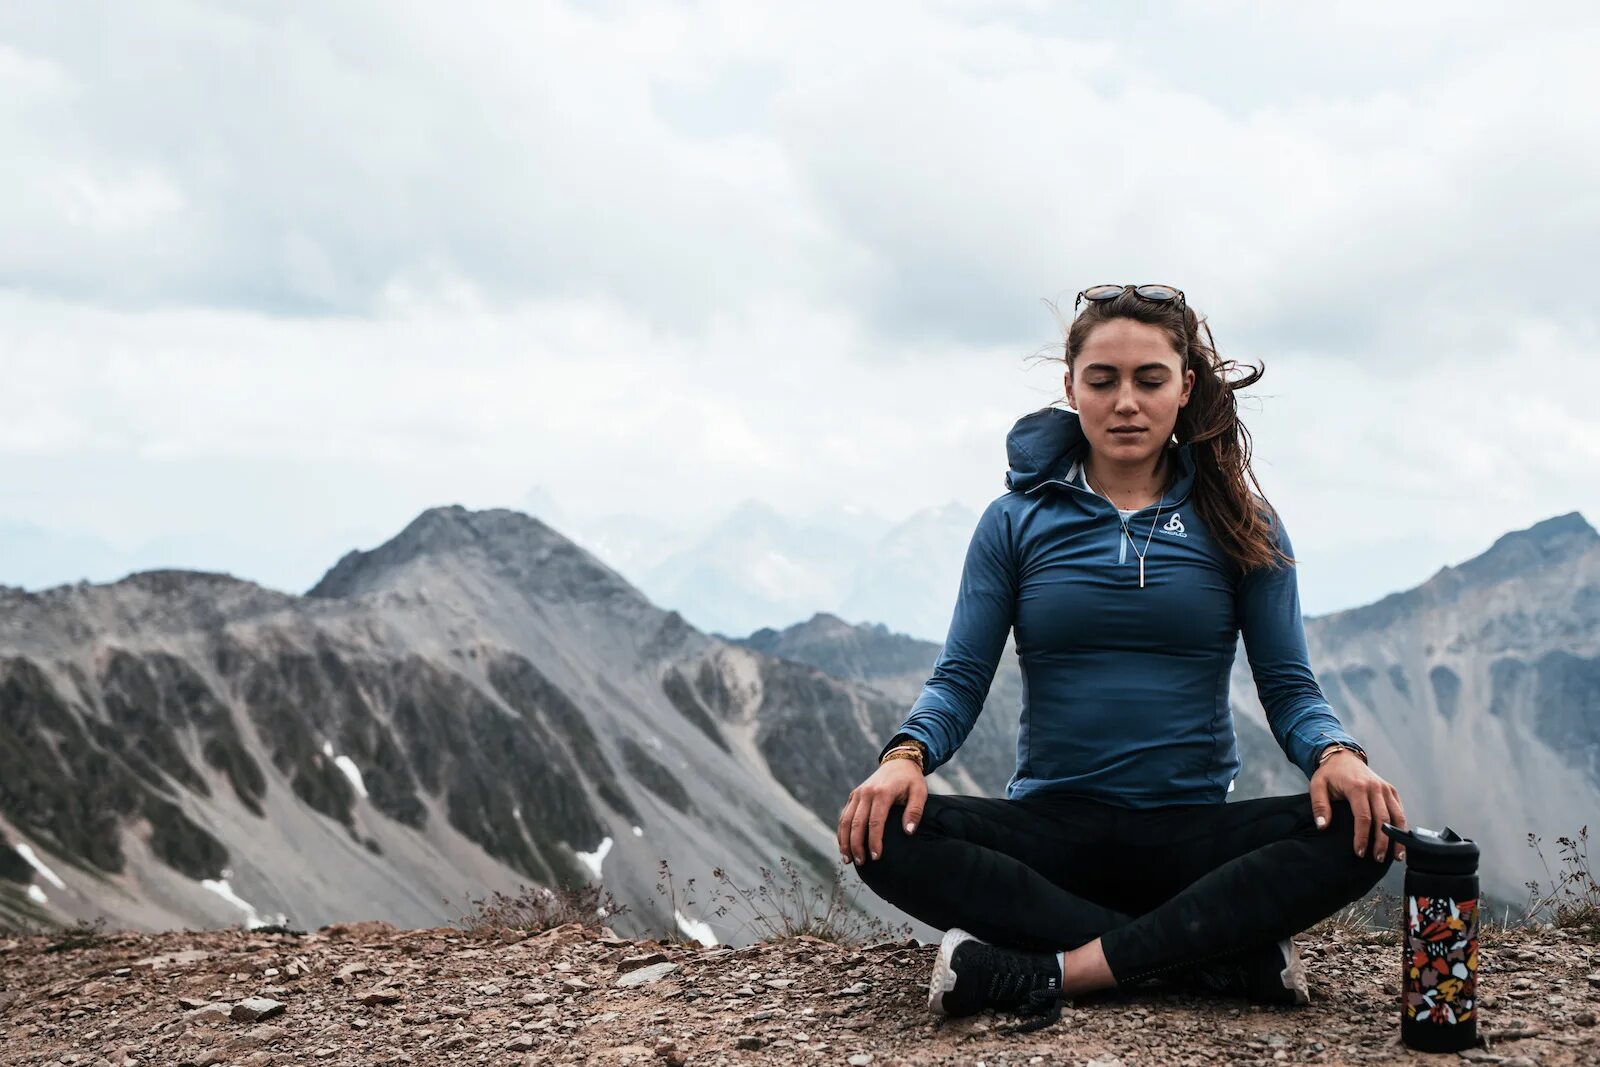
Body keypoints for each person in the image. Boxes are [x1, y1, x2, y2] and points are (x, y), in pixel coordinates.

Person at [836, 284, 1408, 1034]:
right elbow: (961, 676)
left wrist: (1335, 752)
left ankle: (1059, 969)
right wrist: (905, 756)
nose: (1126, 402)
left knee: (1364, 829)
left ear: (1186, 387)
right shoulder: (1016, 520)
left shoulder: (1242, 520)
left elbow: (1289, 685)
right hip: (1053, 835)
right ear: (1071, 387)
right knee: (883, 833)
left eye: (1149, 379)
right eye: (1102, 380)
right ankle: (1211, 953)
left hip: (1189, 835)